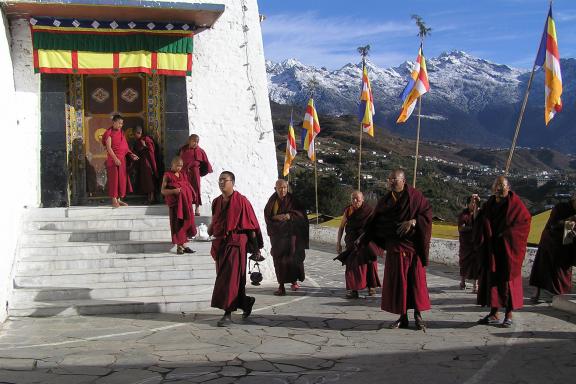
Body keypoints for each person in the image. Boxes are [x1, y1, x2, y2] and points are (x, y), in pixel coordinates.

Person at [360, 169, 432, 331]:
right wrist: (365, 238)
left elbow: (427, 214)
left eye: (395, 179)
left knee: (416, 283)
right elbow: (374, 222)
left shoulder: (415, 197)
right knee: (399, 283)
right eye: (390, 179)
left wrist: (413, 221)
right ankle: (403, 316)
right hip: (395, 248)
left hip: (413, 248)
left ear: (404, 181)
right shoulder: (385, 201)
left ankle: (418, 315)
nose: (391, 182)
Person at [208, 171, 263, 327]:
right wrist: (209, 230)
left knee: (230, 280)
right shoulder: (216, 202)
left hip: (236, 243)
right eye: (219, 180)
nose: (221, 183)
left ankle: (227, 313)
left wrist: (256, 248)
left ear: (232, 182)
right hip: (220, 244)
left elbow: (251, 226)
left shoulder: (242, 201)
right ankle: (246, 302)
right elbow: (215, 221)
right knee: (226, 278)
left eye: (224, 180)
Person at [475, 176, 531, 328]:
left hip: (508, 250)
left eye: (502, 186)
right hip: (493, 249)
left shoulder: (516, 205)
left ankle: (509, 314)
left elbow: (524, 223)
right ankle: (494, 313)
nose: (499, 189)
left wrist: (505, 235)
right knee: (493, 282)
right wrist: (477, 209)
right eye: (496, 186)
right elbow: (481, 221)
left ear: (508, 188)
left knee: (508, 283)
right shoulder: (490, 204)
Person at [264, 179, 309, 296]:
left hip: (291, 235)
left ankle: (294, 281)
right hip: (278, 236)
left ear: (287, 187)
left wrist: (290, 215)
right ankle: (281, 286)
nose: (282, 190)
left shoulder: (293, 200)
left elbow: (302, 214)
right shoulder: (272, 201)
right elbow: (268, 216)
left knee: (293, 258)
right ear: (275, 189)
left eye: (284, 187)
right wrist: (276, 218)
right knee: (279, 261)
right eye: (280, 188)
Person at [529, 194, 576, 303]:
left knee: (561, 269)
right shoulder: (561, 207)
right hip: (550, 240)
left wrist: (573, 231)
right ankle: (537, 293)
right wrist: (569, 221)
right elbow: (553, 224)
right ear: (574, 199)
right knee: (541, 268)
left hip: (566, 243)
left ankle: (558, 294)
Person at [336, 190, 381, 299]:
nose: (355, 201)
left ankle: (371, 286)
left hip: (366, 241)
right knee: (351, 264)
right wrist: (338, 242)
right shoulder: (348, 210)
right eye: (353, 199)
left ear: (363, 199)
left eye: (357, 199)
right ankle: (353, 289)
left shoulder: (369, 210)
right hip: (352, 241)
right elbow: (342, 227)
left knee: (370, 262)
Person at [160, 157, 196, 255]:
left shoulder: (183, 174)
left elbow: (187, 186)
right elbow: (163, 191)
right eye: (177, 166)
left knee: (184, 224)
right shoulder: (167, 175)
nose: (179, 168)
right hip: (175, 205)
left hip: (185, 204)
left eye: (181, 166)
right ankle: (179, 246)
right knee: (176, 225)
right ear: (172, 165)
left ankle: (183, 245)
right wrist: (174, 191)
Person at [102, 114, 139, 207]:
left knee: (121, 180)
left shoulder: (121, 133)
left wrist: (131, 154)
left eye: (122, 124)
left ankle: (119, 199)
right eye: (119, 123)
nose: (120, 125)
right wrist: (115, 159)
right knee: (114, 180)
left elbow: (125, 147)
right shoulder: (108, 133)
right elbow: (109, 148)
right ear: (113, 122)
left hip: (122, 160)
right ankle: (114, 199)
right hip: (113, 160)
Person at [179, 134, 213, 216]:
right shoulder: (183, 149)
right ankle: (187, 208)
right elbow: (179, 160)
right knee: (185, 189)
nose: (195, 143)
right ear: (189, 140)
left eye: (197, 142)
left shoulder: (200, 151)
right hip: (185, 173)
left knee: (196, 189)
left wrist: (200, 172)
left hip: (195, 172)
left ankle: (197, 208)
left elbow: (205, 163)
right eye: (194, 141)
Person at [457, 194, 481, 293]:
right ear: (467, 204)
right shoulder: (463, 214)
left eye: (476, 203)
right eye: (472, 203)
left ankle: (476, 286)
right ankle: (462, 282)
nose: (474, 205)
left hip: (476, 244)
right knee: (464, 264)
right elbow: (461, 228)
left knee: (476, 264)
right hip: (466, 244)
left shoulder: (479, 214)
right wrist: (473, 229)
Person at [133, 126, 158, 204]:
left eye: (135, 134)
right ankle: (149, 198)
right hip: (143, 163)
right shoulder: (139, 140)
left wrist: (144, 146)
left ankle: (152, 198)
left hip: (148, 163)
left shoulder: (146, 139)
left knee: (149, 180)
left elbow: (151, 151)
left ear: (139, 133)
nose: (135, 136)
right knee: (146, 181)